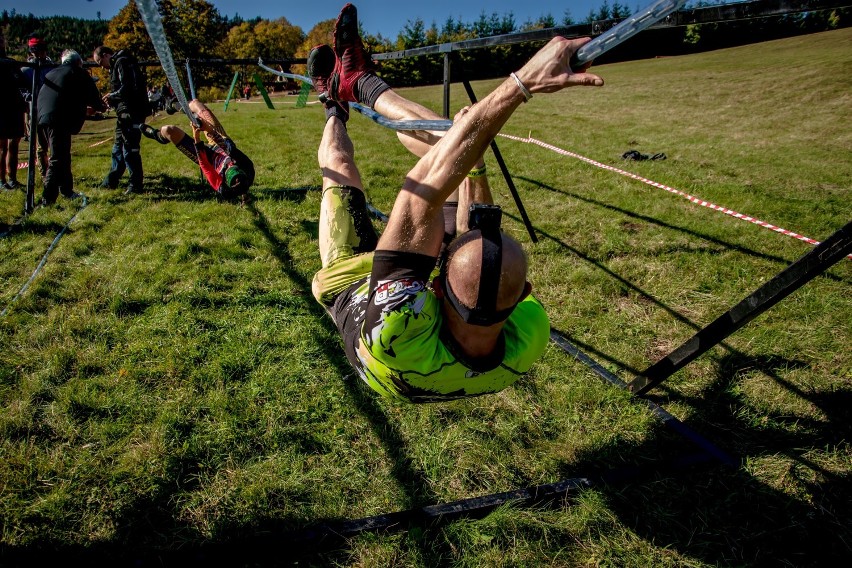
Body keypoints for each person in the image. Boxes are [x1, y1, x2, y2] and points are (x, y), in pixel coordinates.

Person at [307, 4, 603, 403]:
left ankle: (333, 104)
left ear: (436, 283)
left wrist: (522, 83)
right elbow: (478, 240)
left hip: (349, 285)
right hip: (426, 308)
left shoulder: (398, 324)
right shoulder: (530, 333)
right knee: (462, 153)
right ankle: (358, 82)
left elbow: (423, 189)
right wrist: (474, 165)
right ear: (523, 296)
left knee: (341, 166)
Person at [139, 99, 254, 198]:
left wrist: (196, 137)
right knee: (196, 104)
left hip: (208, 158)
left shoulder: (222, 188)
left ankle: (157, 135)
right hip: (220, 144)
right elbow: (224, 143)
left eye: (227, 168)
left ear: (224, 179)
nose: (229, 165)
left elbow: (205, 166)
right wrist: (205, 127)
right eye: (232, 165)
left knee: (169, 130)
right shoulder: (246, 166)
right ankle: (175, 106)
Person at [36, 50, 105, 205]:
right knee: (57, 158)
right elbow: (95, 101)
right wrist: (101, 106)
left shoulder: (53, 73)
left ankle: (67, 190)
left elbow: (63, 97)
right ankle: (47, 198)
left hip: (41, 117)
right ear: (79, 62)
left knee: (63, 155)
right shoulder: (78, 73)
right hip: (57, 119)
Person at [93, 45, 150, 194]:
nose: (102, 67)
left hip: (132, 111)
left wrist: (112, 96)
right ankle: (111, 180)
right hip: (124, 111)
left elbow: (128, 87)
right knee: (118, 146)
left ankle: (135, 184)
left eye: (100, 62)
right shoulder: (118, 64)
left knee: (130, 148)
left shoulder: (122, 62)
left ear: (106, 55)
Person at [20, 34, 51, 177]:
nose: (41, 54)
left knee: (54, 142)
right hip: (36, 110)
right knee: (41, 144)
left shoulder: (50, 67)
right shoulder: (26, 70)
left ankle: (55, 171)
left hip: (51, 109)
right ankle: (44, 173)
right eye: (37, 51)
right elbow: (21, 89)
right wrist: (30, 96)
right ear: (32, 52)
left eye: (43, 50)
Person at [0, 34, 27, 190]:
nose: (2, 43)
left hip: (14, 107)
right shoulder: (10, 64)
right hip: (2, 108)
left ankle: (12, 178)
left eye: (3, 40)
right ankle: (2, 180)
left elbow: (22, 82)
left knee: (14, 143)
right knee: (2, 145)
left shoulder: (11, 63)